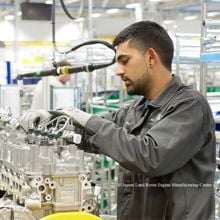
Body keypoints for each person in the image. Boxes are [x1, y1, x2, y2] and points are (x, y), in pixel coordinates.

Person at [19, 21, 216, 220]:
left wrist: (88, 120)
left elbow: (149, 156)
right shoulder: (138, 108)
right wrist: (53, 121)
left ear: (150, 57)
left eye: (124, 60)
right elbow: (93, 133)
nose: (118, 70)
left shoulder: (190, 106)